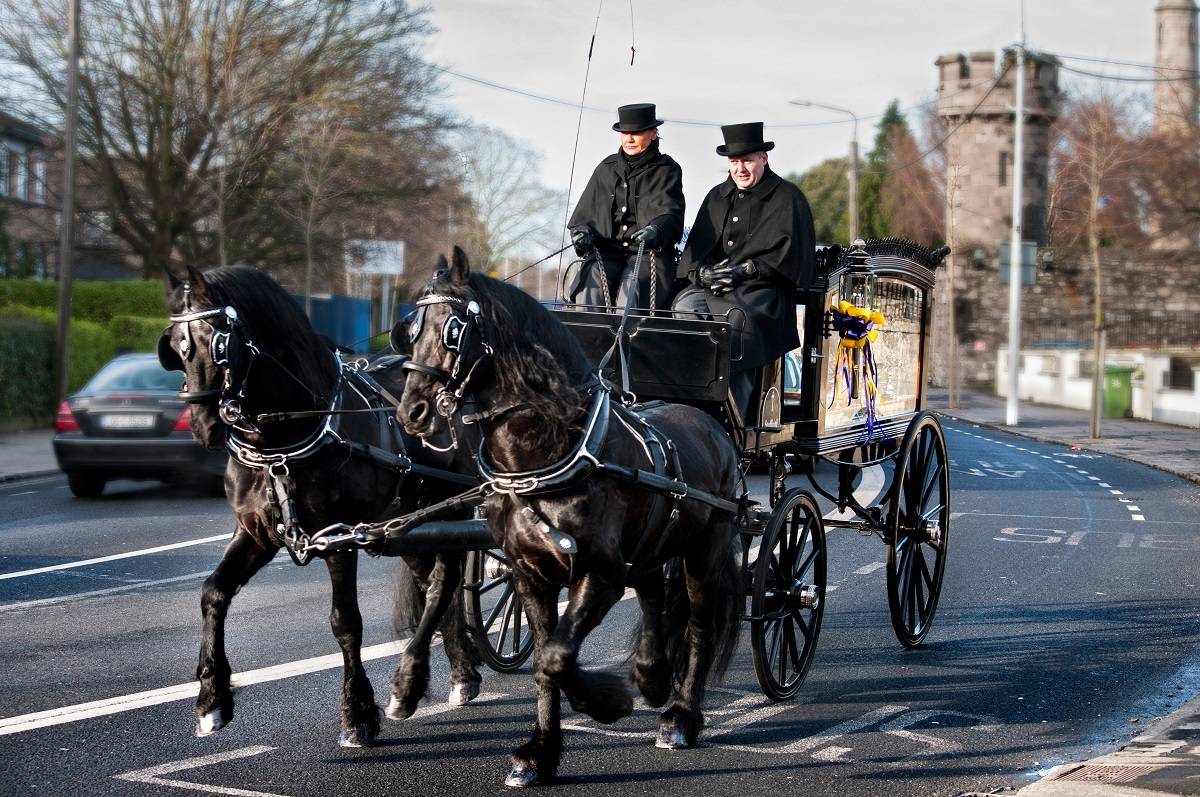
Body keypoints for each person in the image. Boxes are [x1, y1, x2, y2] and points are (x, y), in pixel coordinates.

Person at [672, 121, 816, 417]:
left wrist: (746, 271)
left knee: (737, 323)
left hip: (763, 294)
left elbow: (791, 259)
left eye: (747, 160)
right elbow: (694, 255)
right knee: (684, 305)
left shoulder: (788, 197)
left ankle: (734, 418)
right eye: (734, 162)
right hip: (715, 289)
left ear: (764, 158)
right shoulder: (717, 195)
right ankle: (693, 402)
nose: (740, 169)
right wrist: (703, 274)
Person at [568, 103, 685, 311]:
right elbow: (584, 217)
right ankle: (589, 340)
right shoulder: (605, 169)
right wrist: (581, 233)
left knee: (632, 289)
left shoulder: (667, 170)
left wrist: (655, 230)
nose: (629, 139)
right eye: (624, 133)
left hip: (648, 255)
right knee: (590, 283)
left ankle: (626, 342)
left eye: (637, 133)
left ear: (653, 134)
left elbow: (671, 215)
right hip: (606, 254)